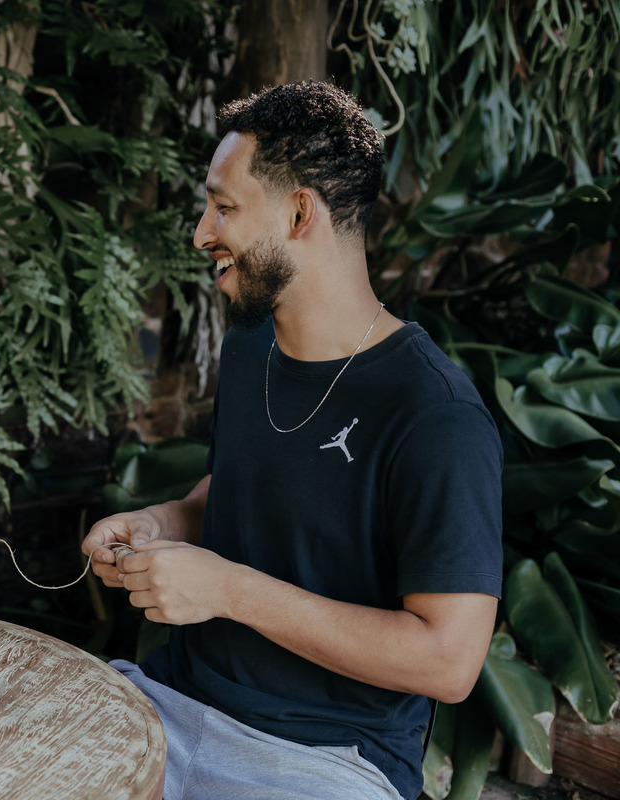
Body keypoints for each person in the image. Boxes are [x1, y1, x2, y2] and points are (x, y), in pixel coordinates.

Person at [83, 81, 502, 800]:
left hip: (327, 760)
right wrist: (158, 525)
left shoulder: (436, 413)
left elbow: (449, 659)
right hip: (175, 703)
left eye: (223, 206)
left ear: (300, 211)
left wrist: (230, 590)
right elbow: (234, 492)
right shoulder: (251, 348)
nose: (200, 233)